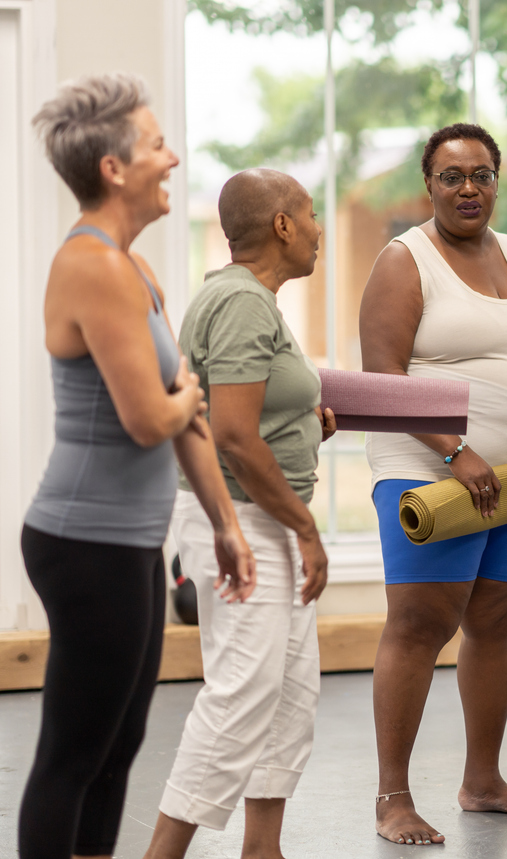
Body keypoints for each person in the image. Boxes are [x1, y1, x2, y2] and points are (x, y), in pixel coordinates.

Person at [19, 73, 255, 859]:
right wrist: (184, 390)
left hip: (129, 542)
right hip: (84, 541)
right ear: (115, 168)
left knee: (119, 745)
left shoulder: (137, 270)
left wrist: (225, 524)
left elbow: (185, 416)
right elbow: (151, 417)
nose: (174, 158)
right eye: (157, 144)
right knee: (72, 752)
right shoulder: (92, 265)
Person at [359, 122, 507, 847]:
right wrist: (455, 451)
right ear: (429, 185)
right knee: (421, 624)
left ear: (496, 179)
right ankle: (394, 796)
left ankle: (482, 779)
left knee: (493, 621)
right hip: (427, 471)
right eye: (451, 175)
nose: (467, 188)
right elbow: (382, 380)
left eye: (480, 174)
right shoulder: (404, 260)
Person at [142, 169, 336, 859]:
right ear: (282, 225)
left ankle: (264, 849)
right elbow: (231, 434)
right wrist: (307, 530)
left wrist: (308, 426)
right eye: (310, 214)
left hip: (267, 518)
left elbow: (252, 414)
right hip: (247, 522)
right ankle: (160, 853)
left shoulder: (253, 301)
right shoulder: (241, 301)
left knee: (288, 693)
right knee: (242, 693)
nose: (319, 229)